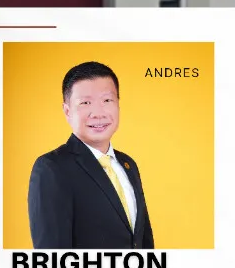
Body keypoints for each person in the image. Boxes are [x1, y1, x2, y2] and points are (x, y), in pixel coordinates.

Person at [27, 60, 154, 252]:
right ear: (67, 111)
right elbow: (52, 254)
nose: (98, 113)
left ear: (118, 104)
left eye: (107, 100)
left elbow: (144, 242)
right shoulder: (52, 168)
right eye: (85, 103)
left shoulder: (128, 164)